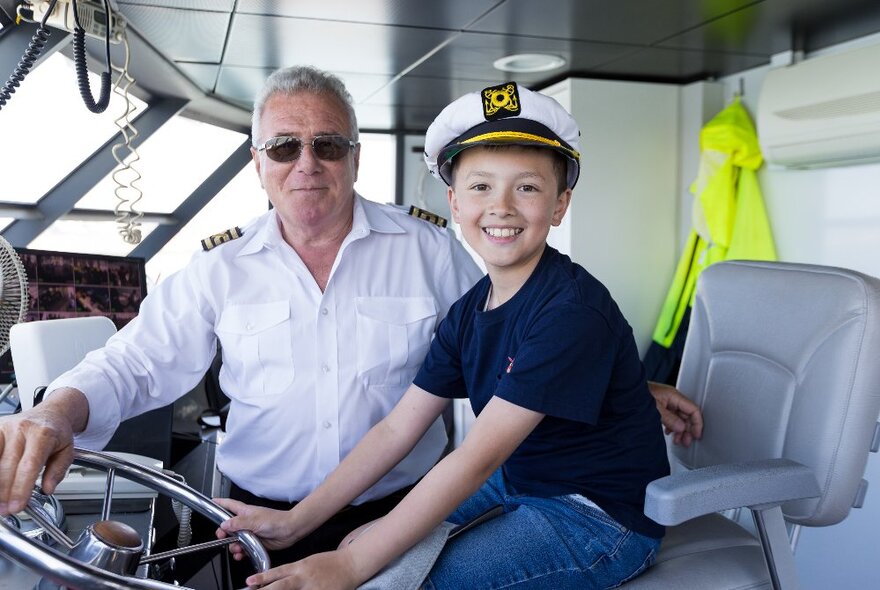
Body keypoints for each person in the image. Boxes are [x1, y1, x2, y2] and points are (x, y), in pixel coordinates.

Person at [0, 65, 700, 569]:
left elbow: (530, 342)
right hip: (261, 516)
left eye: (328, 145)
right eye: (284, 146)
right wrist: (57, 411)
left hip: (400, 505)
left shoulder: (433, 253)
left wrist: (617, 389)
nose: (307, 163)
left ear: (355, 158)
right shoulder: (218, 269)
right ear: (258, 163)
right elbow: (136, 362)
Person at [216, 81, 672, 590]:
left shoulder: (570, 312)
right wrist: (299, 521)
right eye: (480, 187)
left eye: (527, 187)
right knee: (358, 544)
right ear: (455, 203)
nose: (501, 207)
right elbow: (396, 429)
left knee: (393, 579)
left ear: (560, 204)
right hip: (519, 483)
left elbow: (478, 456)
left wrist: (349, 569)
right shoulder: (470, 310)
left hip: (594, 518)